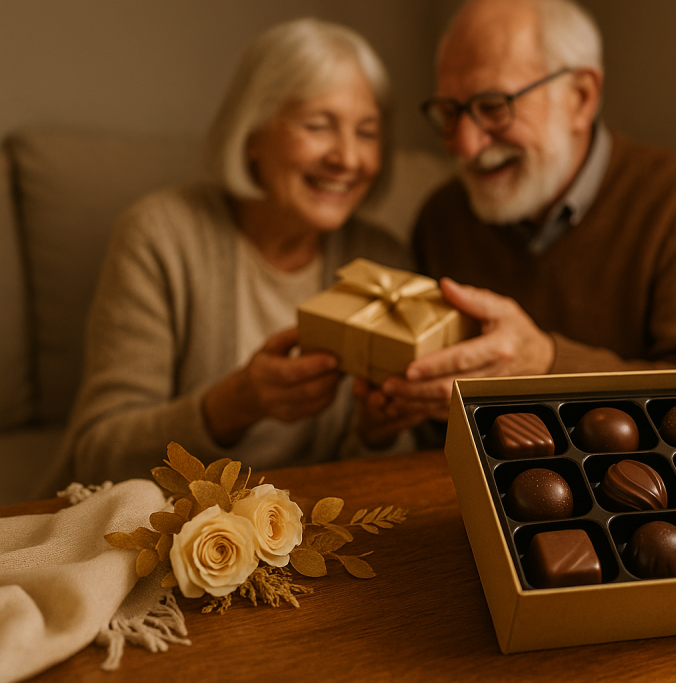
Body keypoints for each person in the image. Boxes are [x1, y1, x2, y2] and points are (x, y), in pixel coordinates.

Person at [45, 18, 412, 488]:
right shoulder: (160, 235)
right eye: (318, 125)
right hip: (169, 524)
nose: (348, 158)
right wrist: (231, 405)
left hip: (318, 527)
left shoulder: (381, 260)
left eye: (367, 132)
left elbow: (395, 468)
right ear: (252, 134)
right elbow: (98, 455)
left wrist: (378, 433)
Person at [363, 0, 676, 427]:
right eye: (451, 113)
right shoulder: (443, 216)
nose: (466, 146)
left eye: (493, 106)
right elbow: (433, 425)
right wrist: (390, 413)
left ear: (581, 98)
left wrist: (548, 362)